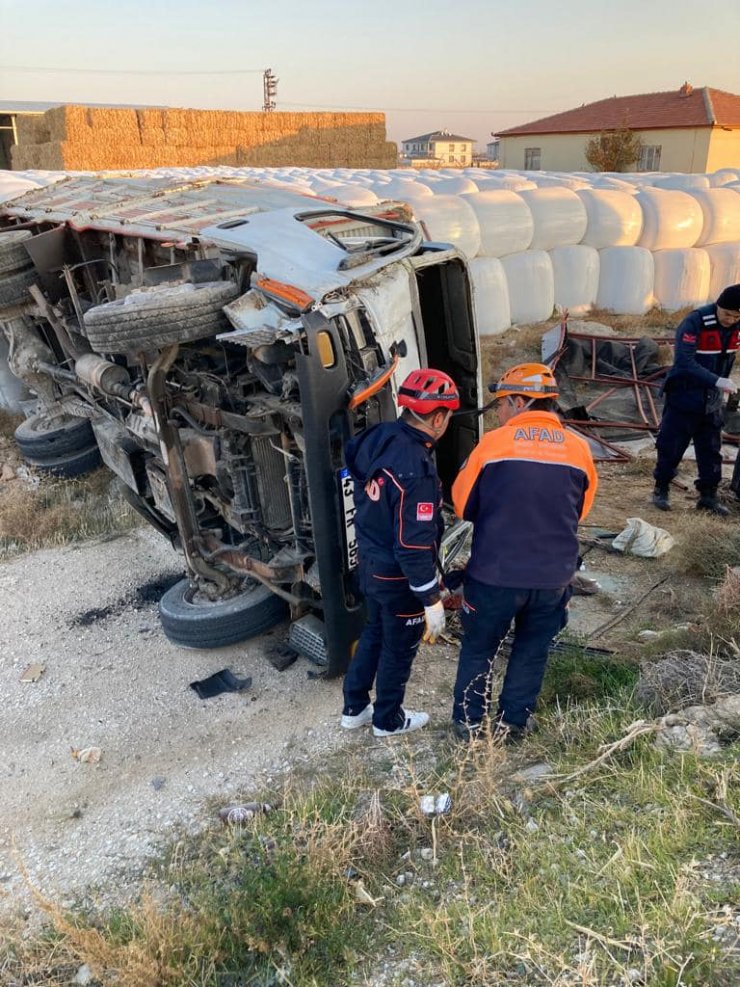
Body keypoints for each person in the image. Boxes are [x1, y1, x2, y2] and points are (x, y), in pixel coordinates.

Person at [450, 363, 598, 741]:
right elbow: (581, 511)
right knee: (532, 650)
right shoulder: (579, 449)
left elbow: (462, 505)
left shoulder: (493, 445)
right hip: (553, 578)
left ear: (520, 401)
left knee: (479, 648)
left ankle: (470, 725)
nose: (499, 411)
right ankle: (515, 723)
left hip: (495, 575)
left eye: (501, 403)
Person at [341, 368, 459, 737]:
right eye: (448, 417)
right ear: (437, 418)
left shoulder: (379, 436)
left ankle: (354, 707)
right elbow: (413, 544)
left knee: (375, 631)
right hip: (398, 577)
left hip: (370, 562)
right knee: (399, 648)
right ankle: (387, 720)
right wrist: (430, 599)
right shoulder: (417, 470)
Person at [652, 284, 740, 516]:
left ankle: (708, 496)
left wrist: (719, 384)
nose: (731, 320)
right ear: (718, 305)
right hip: (684, 394)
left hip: (712, 399)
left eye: (736, 316)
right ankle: (661, 488)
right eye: (727, 314)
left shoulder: (736, 326)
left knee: (711, 449)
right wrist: (717, 380)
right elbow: (684, 362)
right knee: (671, 445)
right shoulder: (696, 321)